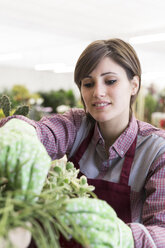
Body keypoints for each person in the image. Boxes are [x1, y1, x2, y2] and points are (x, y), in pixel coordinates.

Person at [1, 38, 165, 248]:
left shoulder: (157, 150)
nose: (98, 92)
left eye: (110, 81)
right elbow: (44, 132)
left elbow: (162, 231)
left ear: (134, 85)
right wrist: (20, 132)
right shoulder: (77, 125)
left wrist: (122, 237)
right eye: (88, 84)